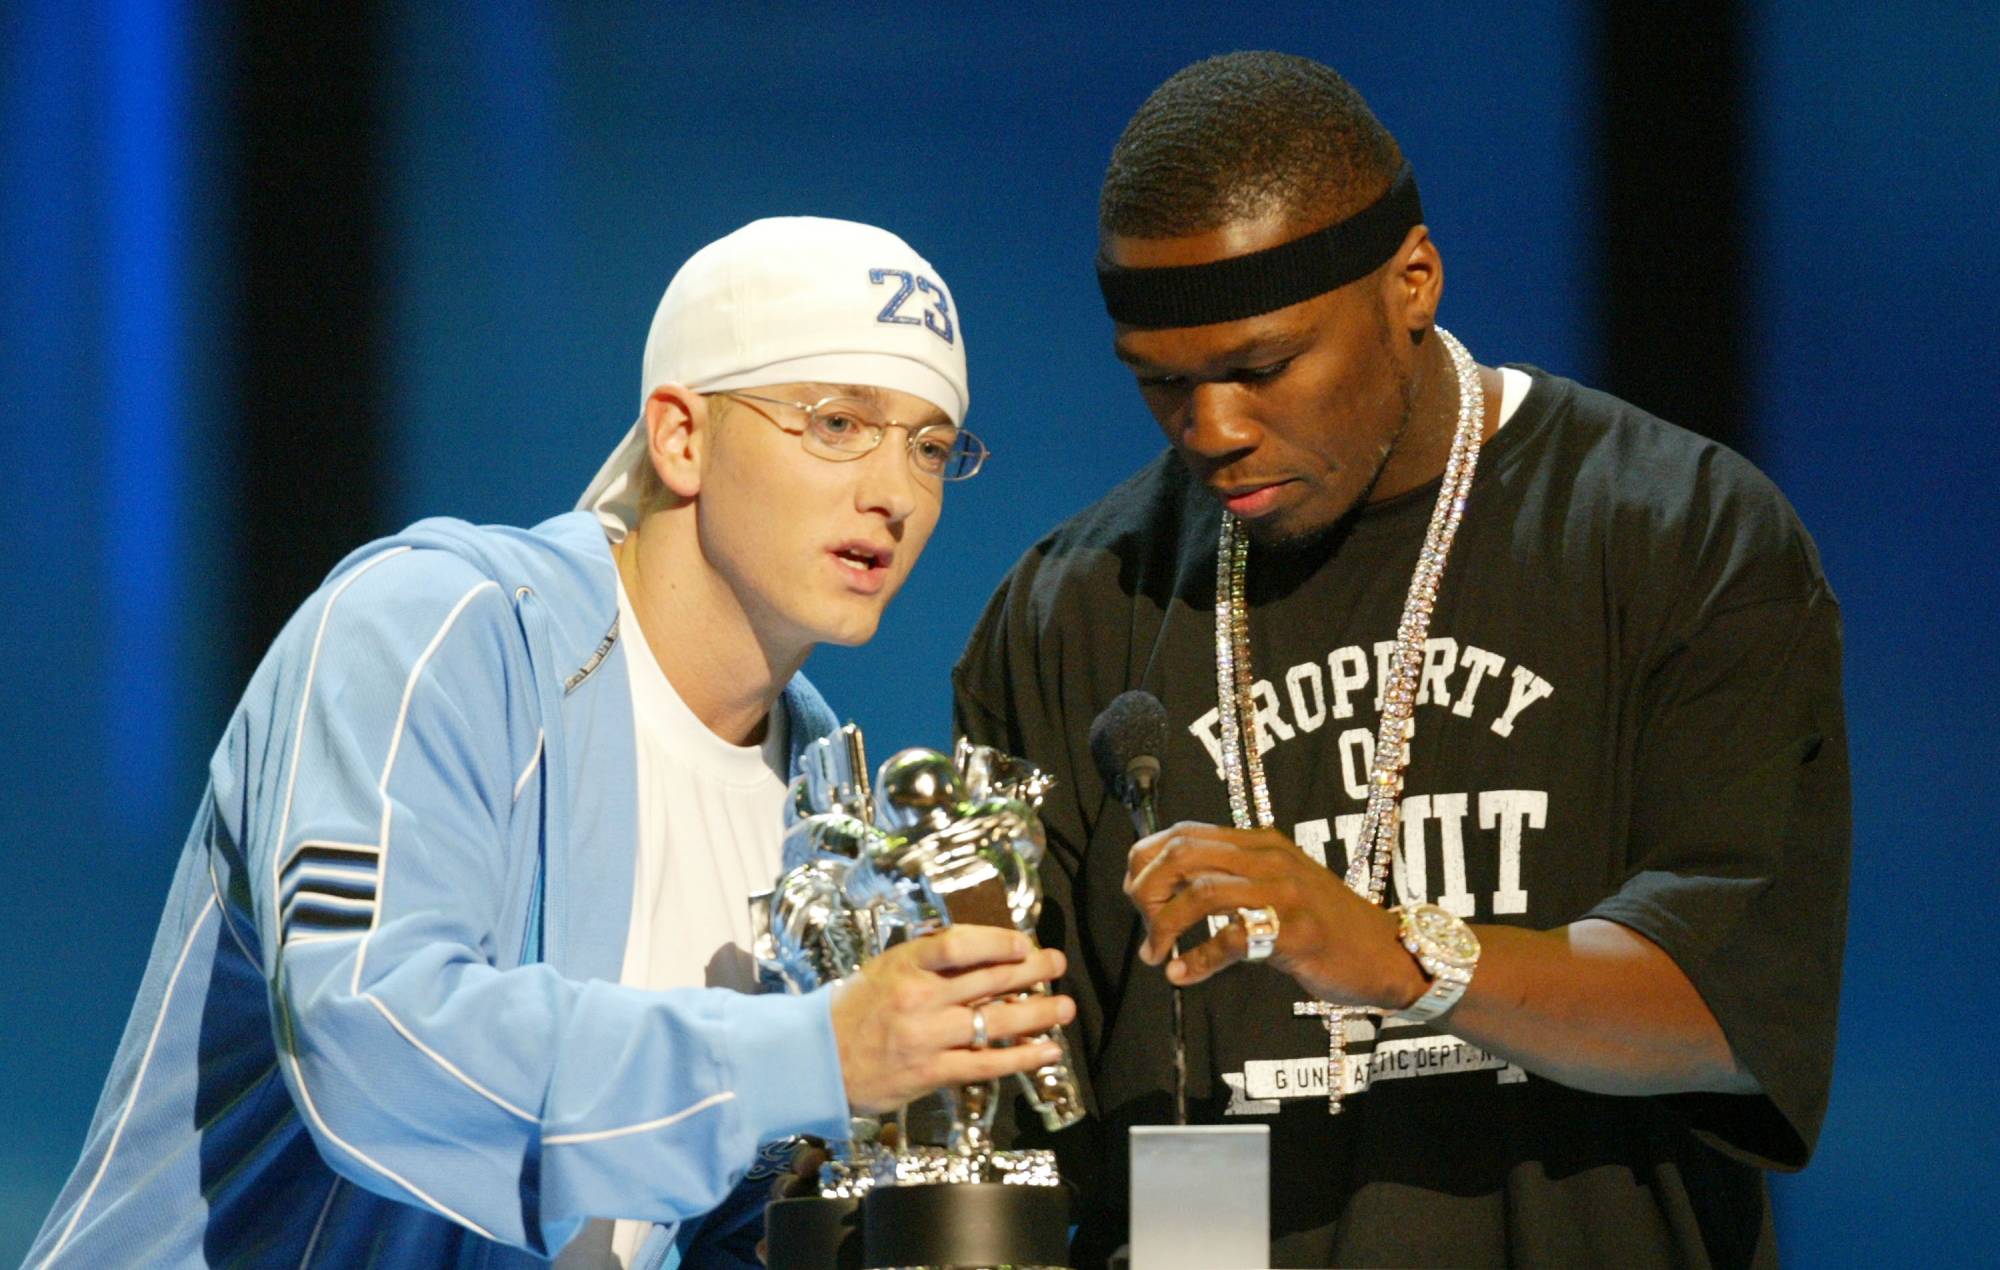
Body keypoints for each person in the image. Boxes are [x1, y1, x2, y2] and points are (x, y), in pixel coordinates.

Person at [30, 216, 1075, 1269]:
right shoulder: (431, 627)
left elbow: (707, 1201)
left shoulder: (816, 789)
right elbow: (372, 1039)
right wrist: (810, 1053)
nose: (893, 491)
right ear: (680, 436)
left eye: (930, 445)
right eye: (838, 423)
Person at [954, 53, 1848, 1267]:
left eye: (1261, 368)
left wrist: (1382, 952)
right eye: (1163, 384)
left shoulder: (1668, 531)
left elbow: (1721, 1014)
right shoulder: (1073, 609)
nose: (1211, 431)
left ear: (1409, 282)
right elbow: (1047, 1095)